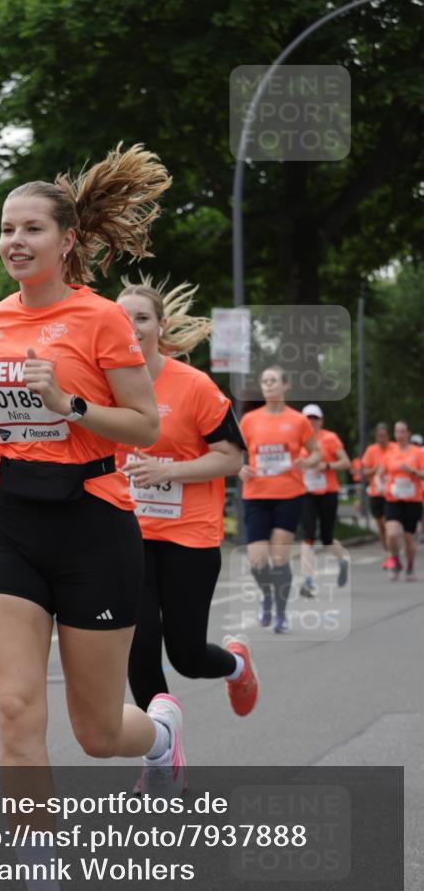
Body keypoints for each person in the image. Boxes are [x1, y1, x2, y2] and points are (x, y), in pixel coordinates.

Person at [0, 145, 184, 891]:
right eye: (6, 229)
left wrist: (72, 404)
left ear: (66, 240)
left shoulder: (102, 317)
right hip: (13, 520)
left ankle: (159, 735)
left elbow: (144, 425)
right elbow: (18, 420)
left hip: (93, 524)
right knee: (16, 710)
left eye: (30, 228)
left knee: (95, 730)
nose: (14, 241)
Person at [115, 276, 256, 738]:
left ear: (160, 325)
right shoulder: (101, 384)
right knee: (139, 647)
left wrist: (168, 472)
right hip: (128, 535)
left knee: (188, 656)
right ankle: (161, 751)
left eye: (141, 318)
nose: (131, 326)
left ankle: (235, 665)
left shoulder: (193, 386)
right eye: (121, 318)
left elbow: (232, 457)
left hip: (188, 536)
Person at [238, 368, 320, 634]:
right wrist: (240, 468)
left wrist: (307, 461)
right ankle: (267, 596)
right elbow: (235, 454)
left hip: (288, 494)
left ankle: (281, 614)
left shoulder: (298, 421)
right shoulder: (249, 420)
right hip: (256, 495)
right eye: (264, 381)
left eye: (274, 381)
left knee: (280, 556)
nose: (269, 385)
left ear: (285, 385)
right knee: (257, 560)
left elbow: (316, 453)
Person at [299, 404, 351, 598]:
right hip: (306, 493)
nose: (311, 421)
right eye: (307, 418)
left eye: (314, 418)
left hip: (328, 492)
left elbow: (345, 462)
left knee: (327, 538)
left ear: (321, 420)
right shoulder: (298, 440)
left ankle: (343, 561)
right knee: (308, 535)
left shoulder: (330, 438)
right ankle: (308, 582)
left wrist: (326, 465)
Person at [382, 420, 424, 582]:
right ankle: (396, 561)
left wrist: (412, 470)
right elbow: (380, 472)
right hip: (393, 497)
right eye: (396, 431)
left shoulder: (418, 452)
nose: (399, 435)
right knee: (392, 534)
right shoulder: (390, 452)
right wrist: (380, 485)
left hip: (412, 498)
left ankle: (410, 566)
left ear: (408, 433)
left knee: (408, 537)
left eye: (402, 431)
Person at [362, 422, 395, 568]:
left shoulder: (394, 448)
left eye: (383, 435)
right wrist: (377, 469)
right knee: (381, 524)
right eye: (378, 435)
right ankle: (387, 551)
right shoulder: (371, 450)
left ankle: (391, 555)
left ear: (388, 435)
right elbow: (364, 471)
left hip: (391, 492)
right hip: (375, 492)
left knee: (389, 524)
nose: (381, 438)